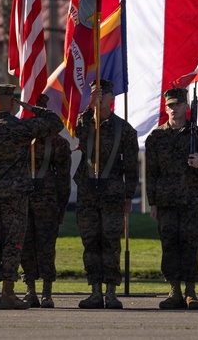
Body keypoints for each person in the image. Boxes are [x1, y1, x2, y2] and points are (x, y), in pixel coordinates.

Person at [0, 84, 64, 310]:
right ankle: (8, 293)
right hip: (16, 196)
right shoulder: (21, 128)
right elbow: (55, 124)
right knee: (13, 243)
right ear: (12, 103)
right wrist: (31, 107)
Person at [145, 87, 198, 310]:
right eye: (170, 105)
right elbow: (151, 173)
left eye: (177, 105)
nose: (173, 109)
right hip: (166, 202)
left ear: (187, 107)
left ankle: (190, 292)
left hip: (191, 201)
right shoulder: (156, 137)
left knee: (191, 244)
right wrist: (152, 202)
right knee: (169, 245)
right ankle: (174, 291)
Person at [73, 78, 139, 309]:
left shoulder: (125, 130)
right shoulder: (86, 123)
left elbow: (132, 167)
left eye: (103, 95)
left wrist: (129, 196)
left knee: (111, 242)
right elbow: (79, 131)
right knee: (90, 241)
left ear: (112, 98)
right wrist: (90, 106)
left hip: (112, 194)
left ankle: (111, 293)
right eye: (95, 94)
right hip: (88, 193)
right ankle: (95, 292)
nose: (99, 98)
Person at [20, 95, 73, 308]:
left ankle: (47, 292)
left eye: (41, 111)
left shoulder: (58, 143)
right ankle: (30, 290)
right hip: (24, 198)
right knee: (25, 244)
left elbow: (63, 176)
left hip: (47, 200)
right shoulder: (21, 139)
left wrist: (62, 204)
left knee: (46, 246)